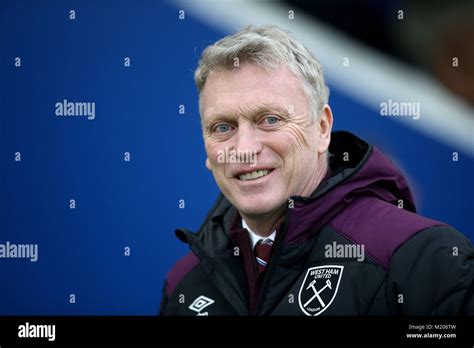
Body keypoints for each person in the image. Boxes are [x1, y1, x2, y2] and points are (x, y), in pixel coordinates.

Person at [159, 25, 474, 316]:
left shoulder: (421, 257)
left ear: (322, 128)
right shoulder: (182, 283)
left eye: (270, 120)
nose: (244, 147)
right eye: (222, 127)